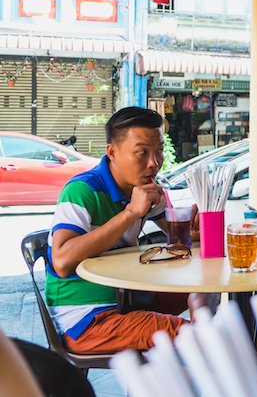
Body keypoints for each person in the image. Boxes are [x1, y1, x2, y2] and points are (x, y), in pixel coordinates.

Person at [47, 107, 200, 354]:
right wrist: (130, 213)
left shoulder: (147, 190)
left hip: (130, 298)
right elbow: (62, 261)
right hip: (86, 318)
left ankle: (198, 358)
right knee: (195, 336)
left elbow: (180, 239)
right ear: (112, 152)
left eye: (159, 152)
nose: (154, 163)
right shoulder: (81, 191)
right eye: (142, 153)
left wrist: (196, 227)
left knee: (205, 287)